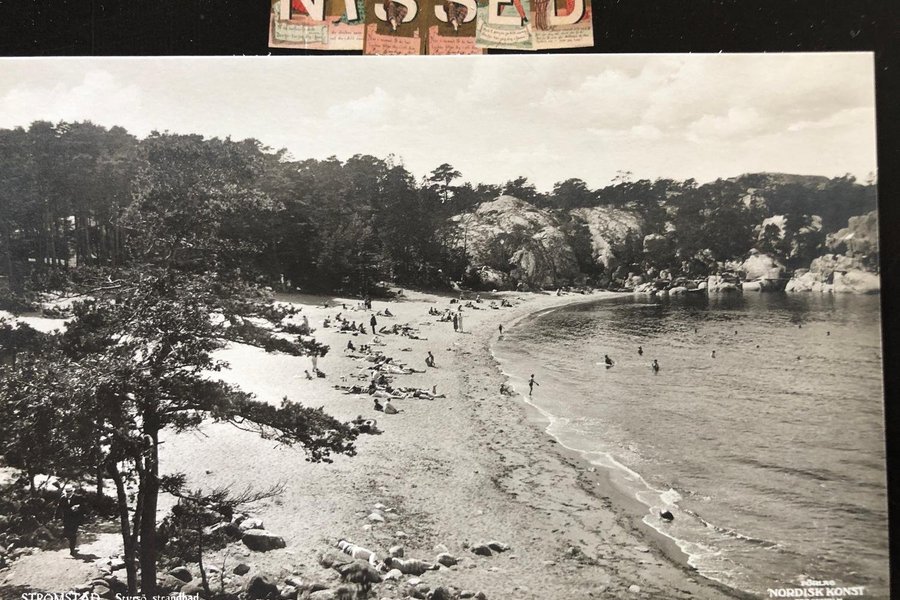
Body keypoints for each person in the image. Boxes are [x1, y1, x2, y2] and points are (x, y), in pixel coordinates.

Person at [56, 487, 82, 556]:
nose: (68, 494)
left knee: (73, 533)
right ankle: (72, 545)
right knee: (67, 533)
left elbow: (83, 506)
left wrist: (78, 508)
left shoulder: (77, 497)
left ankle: (72, 549)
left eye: (70, 492)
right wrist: (56, 517)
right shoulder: (63, 498)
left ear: (72, 492)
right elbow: (59, 508)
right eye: (67, 492)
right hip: (66, 519)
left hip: (75, 519)